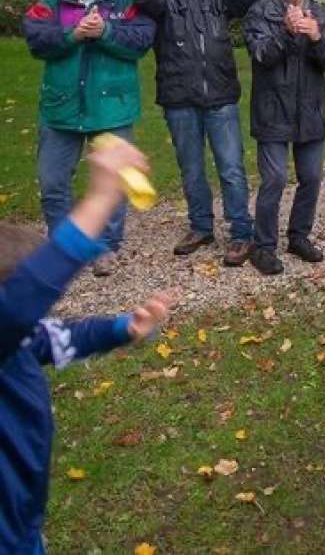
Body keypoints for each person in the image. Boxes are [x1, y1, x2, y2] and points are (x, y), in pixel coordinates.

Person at [0, 136, 174, 554]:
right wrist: (99, 200)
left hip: (20, 520)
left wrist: (121, 329)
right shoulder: (8, 324)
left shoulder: (17, 341)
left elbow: (60, 338)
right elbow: (26, 297)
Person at [131, 0, 263, 268]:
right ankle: (201, 225)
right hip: (179, 100)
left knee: (231, 168)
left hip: (220, 97)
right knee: (191, 169)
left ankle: (240, 232)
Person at [22, 0, 155, 277]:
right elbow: (35, 39)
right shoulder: (51, 0)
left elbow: (141, 40)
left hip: (112, 107)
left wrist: (106, 31)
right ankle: (63, 248)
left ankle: (106, 248)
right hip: (60, 109)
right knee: (52, 182)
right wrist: (73, 36)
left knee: (112, 180)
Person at [243, 0, 325, 276]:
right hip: (272, 110)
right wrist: (286, 33)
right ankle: (264, 246)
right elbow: (261, 56)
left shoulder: (322, 14)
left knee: (311, 178)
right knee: (274, 179)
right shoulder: (261, 12)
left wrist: (317, 37)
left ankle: (299, 236)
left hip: (310, 112)